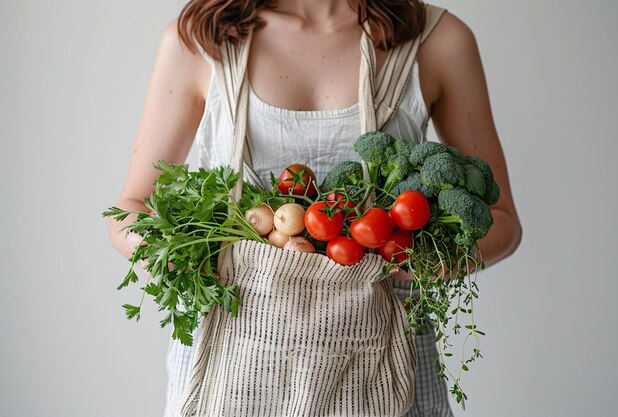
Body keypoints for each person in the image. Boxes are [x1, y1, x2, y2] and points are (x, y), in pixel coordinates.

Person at [106, 1, 523, 416]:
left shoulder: (438, 40)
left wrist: (414, 261)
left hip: (381, 367)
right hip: (236, 368)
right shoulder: (200, 38)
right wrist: (181, 255)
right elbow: (132, 205)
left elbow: (501, 222)